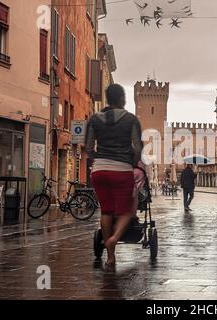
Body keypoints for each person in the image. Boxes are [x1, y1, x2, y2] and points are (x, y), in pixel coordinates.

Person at [85, 84, 143, 270]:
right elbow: (138, 147)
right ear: (121, 99)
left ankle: (110, 258)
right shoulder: (131, 119)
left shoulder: (94, 119)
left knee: (106, 211)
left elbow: (87, 147)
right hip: (121, 170)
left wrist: (99, 158)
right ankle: (113, 239)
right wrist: (131, 162)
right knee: (126, 211)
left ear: (108, 99)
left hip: (99, 171)